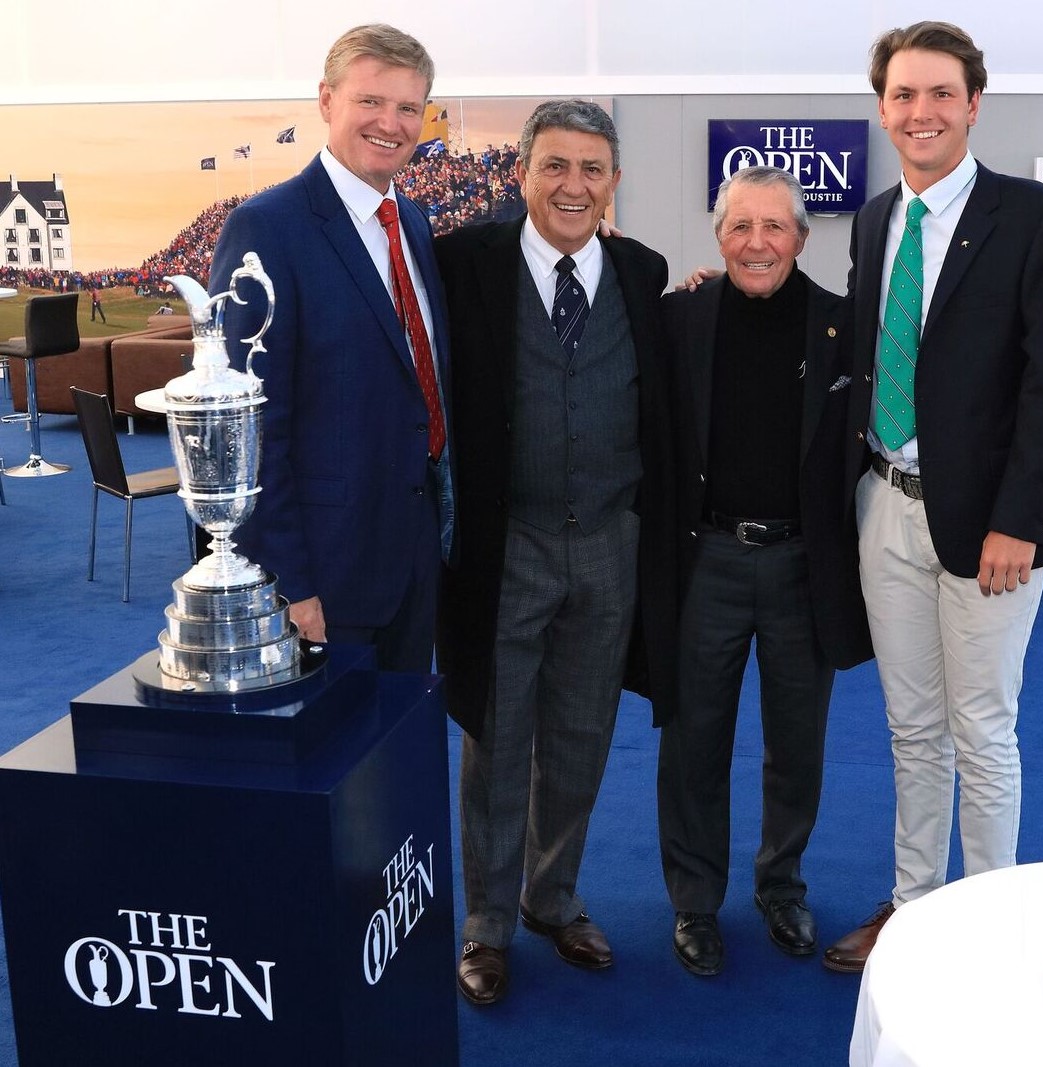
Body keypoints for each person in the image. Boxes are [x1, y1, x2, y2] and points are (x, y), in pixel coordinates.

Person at [823, 21, 1043, 974]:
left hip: (989, 526)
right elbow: (864, 347)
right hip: (884, 503)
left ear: (973, 104)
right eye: (902, 95)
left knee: (982, 729)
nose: (920, 111)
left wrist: (1021, 518)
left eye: (940, 93)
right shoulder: (873, 217)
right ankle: (914, 904)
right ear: (882, 107)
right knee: (910, 726)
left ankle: (986, 916)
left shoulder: (1033, 220)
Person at [435, 99, 675, 1007]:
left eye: (593, 169)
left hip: (610, 546)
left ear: (613, 182)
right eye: (556, 167)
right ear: (523, 173)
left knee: (579, 737)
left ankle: (551, 896)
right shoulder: (465, 266)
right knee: (495, 741)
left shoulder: (644, 274)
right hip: (507, 549)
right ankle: (486, 924)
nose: (574, 186)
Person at [657, 166, 871, 978]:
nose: (755, 243)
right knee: (693, 743)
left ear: (801, 238)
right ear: (717, 237)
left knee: (796, 744)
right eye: (739, 226)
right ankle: (694, 903)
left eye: (773, 227)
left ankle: (780, 885)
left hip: (800, 565)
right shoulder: (678, 316)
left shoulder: (841, 325)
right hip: (705, 558)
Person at [209, 23, 452, 673]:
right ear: (326, 101)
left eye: (408, 108)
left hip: (412, 565)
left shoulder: (417, 225)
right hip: (323, 581)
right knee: (329, 766)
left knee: (398, 760)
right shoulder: (266, 228)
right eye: (370, 101)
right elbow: (250, 428)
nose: (391, 123)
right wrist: (285, 581)